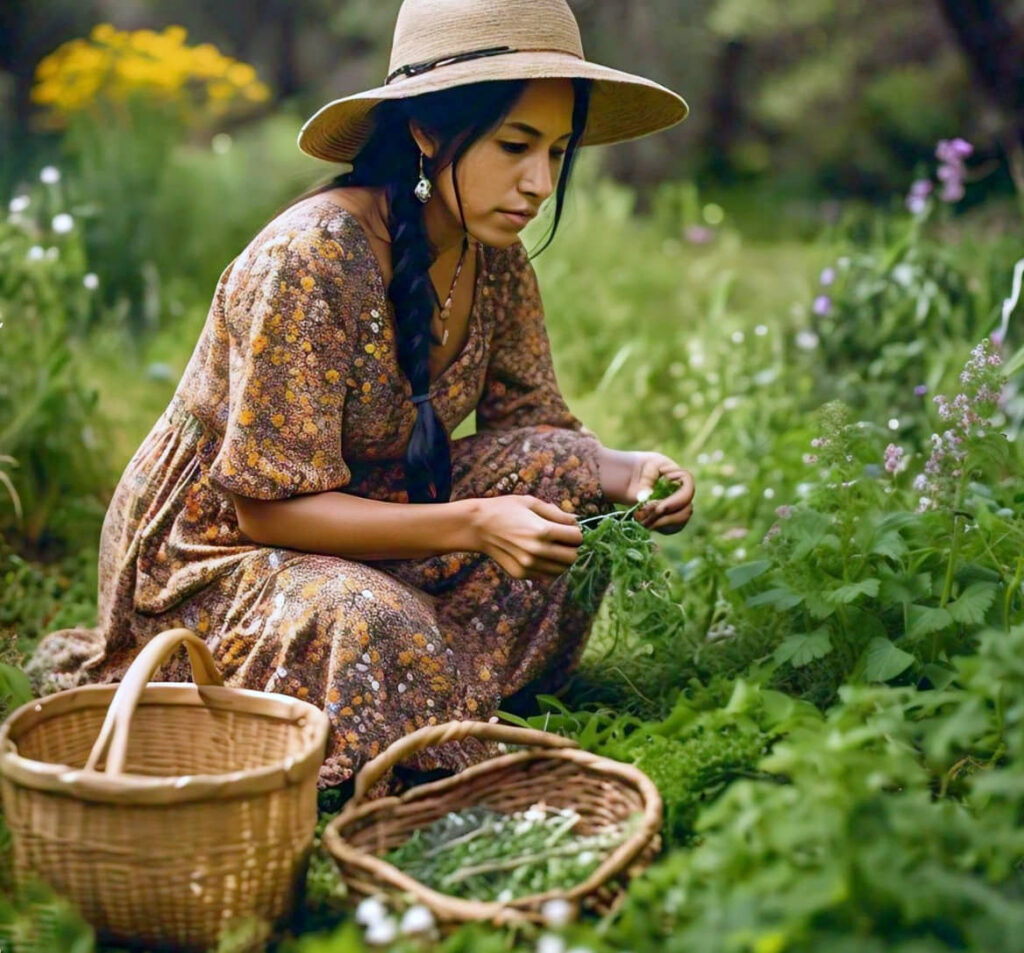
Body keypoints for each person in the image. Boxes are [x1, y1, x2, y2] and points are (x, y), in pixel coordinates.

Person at [27, 0, 696, 798]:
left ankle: (424, 690)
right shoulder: (311, 260)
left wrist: (626, 472)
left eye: (556, 151)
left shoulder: (497, 258)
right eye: (516, 145)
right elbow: (266, 512)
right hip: (213, 556)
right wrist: (475, 523)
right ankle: (407, 693)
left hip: (366, 513)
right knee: (370, 618)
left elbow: (537, 430)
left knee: (570, 477)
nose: (540, 183)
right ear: (423, 130)